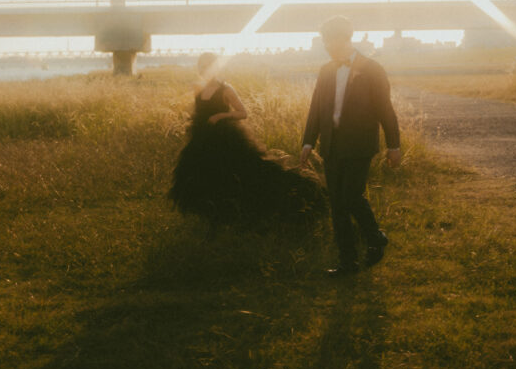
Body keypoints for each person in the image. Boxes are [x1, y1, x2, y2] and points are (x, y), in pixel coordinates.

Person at [169, 52, 326, 230]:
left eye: (208, 66)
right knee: (200, 175)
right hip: (202, 138)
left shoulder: (226, 89)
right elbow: (199, 111)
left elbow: (242, 113)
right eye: (201, 66)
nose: (204, 69)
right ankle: (211, 214)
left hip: (224, 138)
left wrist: (221, 116)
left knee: (239, 173)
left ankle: (243, 212)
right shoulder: (198, 88)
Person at [300, 16, 401, 276]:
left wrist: (394, 145)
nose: (326, 45)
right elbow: (316, 108)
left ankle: (374, 236)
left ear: (344, 39)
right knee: (337, 204)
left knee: (351, 196)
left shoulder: (372, 69)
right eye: (324, 41)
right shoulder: (326, 70)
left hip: (359, 144)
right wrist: (308, 141)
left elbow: (385, 109)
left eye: (329, 40)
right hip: (331, 145)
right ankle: (348, 261)